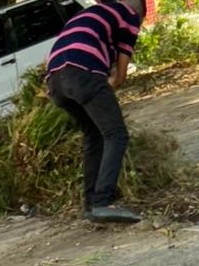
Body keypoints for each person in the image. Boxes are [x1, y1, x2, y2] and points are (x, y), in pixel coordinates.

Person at [46, 0, 146, 223]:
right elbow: (120, 77)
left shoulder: (89, 14)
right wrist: (106, 87)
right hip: (82, 73)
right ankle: (102, 202)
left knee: (94, 135)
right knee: (116, 134)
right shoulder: (130, 15)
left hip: (55, 81)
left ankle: (90, 204)